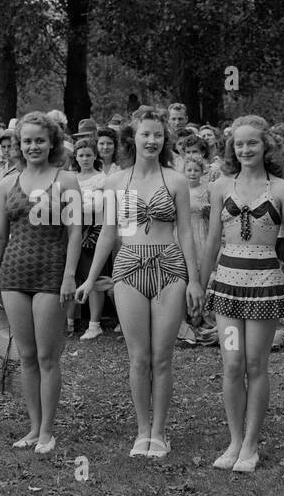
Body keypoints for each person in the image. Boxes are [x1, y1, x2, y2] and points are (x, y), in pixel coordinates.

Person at [76, 108, 201, 459]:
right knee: (138, 358)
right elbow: (108, 233)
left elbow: (186, 233)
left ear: (165, 139)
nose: (152, 140)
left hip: (169, 267)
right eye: (146, 134)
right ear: (133, 137)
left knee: (162, 357)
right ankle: (142, 430)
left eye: (158, 135)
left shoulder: (175, 181)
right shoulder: (116, 181)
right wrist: (90, 278)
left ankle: (159, 433)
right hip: (128, 267)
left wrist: (194, 280)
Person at [199, 115, 284, 472]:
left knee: (256, 364)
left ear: (265, 146)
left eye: (252, 143)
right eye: (239, 144)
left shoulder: (283, 190)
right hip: (228, 288)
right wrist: (199, 282)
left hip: (264, 286)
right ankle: (234, 440)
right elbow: (212, 241)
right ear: (232, 148)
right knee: (232, 363)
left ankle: (251, 443)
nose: (245, 150)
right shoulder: (220, 187)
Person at [0, 111, 83, 455]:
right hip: (14, 275)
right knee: (26, 356)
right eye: (27, 141)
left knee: (47, 356)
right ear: (19, 144)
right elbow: (0, 236)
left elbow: (75, 232)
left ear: (52, 142)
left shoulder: (67, 180)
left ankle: (47, 431)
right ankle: (33, 427)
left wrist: (70, 275)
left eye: (40, 140)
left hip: (52, 275)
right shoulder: (7, 184)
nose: (33, 146)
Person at [67, 136, 109, 340]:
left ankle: (94, 324)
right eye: (81, 155)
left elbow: (100, 205)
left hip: (94, 228)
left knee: (93, 274)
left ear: (95, 156)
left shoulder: (101, 179)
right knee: (71, 273)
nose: (84, 159)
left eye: (88, 155)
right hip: (71, 228)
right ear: (75, 157)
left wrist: (78, 206)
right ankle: (69, 321)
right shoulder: (70, 177)